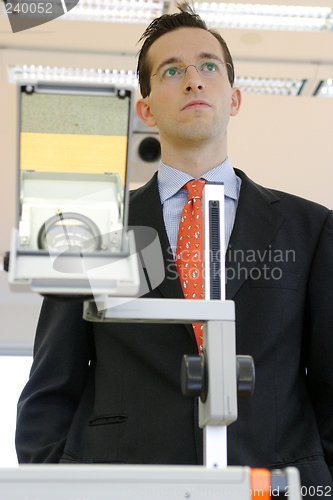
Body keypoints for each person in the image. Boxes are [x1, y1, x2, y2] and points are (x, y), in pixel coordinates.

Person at [16, 2, 333, 494]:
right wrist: (56, 484)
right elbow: (51, 385)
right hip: (123, 481)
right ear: (146, 109)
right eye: (172, 70)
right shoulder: (95, 226)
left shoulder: (311, 229)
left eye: (209, 66)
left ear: (235, 98)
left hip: (273, 481)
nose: (193, 80)